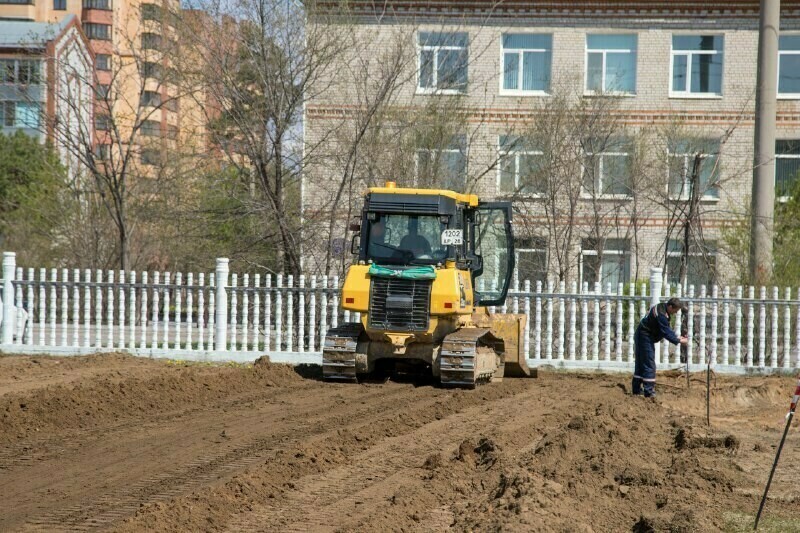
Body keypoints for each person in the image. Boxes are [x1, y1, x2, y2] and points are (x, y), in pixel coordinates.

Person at [632, 297, 689, 398]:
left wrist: (676, 337)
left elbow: (666, 328)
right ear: (670, 307)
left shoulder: (662, 308)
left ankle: (636, 390)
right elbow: (665, 331)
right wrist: (679, 340)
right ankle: (649, 392)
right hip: (644, 336)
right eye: (675, 310)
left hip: (642, 334)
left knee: (641, 363)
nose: (676, 313)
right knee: (649, 363)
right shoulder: (662, 315)